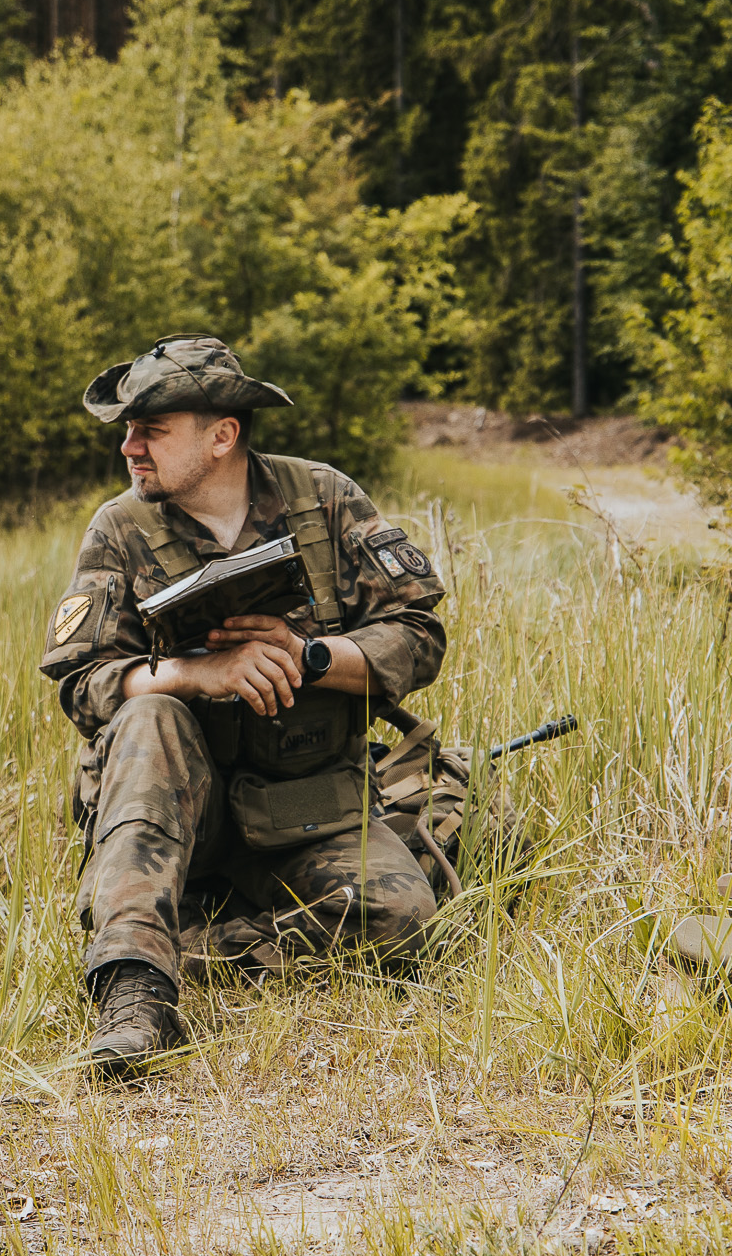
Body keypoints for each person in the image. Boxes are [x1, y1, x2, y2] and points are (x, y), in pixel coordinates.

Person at [40, 335, 446, 1079]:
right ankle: (136, 994)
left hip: (308, 806)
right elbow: (82, 681)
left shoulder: (323, 500)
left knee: (405, 921)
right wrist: (201, 673)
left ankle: (190, 944)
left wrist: (311, 656)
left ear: (222, 435)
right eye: (127, 430)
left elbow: (419, 635)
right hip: (173, 814)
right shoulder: (120, 529)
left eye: (151, 430)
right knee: (150, 713)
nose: (129, 448)